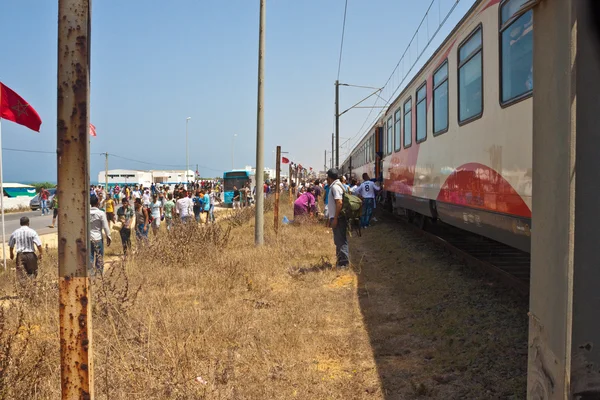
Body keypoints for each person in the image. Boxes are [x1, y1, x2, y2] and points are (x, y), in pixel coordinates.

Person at [326, 168, 349, 268]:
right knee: (338, 240)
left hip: (338, 218)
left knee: (340, 241)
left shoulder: (335, 187)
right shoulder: (337, 185)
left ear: (329, 177)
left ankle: (344, 264)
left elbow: (339, 203)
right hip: (337, 217)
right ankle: (340, 262)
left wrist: (335, 218)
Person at [9, 216, 43, 281]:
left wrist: (11, 254)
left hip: (20, 256)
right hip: (31, 255)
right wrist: (41, 253)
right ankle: (31, 285)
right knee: (33, 272)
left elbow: (11, 246)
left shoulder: (15, 232)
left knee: (21, 274)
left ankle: (24, 288)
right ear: (28, 223)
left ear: (20, 223)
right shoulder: (32, 232)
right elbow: (38, 244)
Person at [90, 195, 111, 276]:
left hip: (89, 239)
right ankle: (99, 276)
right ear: (97, 202)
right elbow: (106, 226)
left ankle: (91, 276)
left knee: (90, 258)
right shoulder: (101, 213)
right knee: (99, 258)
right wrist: (108, 236)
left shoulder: (86, 212)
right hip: (98, 238)